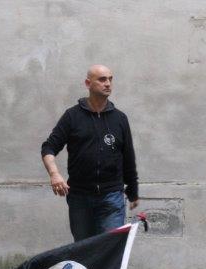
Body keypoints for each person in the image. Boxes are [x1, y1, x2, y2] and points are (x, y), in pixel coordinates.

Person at [41, 64, 139, 241]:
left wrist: (133, 190)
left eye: (110, 79)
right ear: (88, 83)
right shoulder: (72, 116)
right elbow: (48, 147)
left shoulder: (119, 118)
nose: (108, 83)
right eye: (102, 79)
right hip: (80, 197)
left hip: (111, 197)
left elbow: (128, 156)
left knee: (110, 248)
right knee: (84, 249)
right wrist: (54, 174)